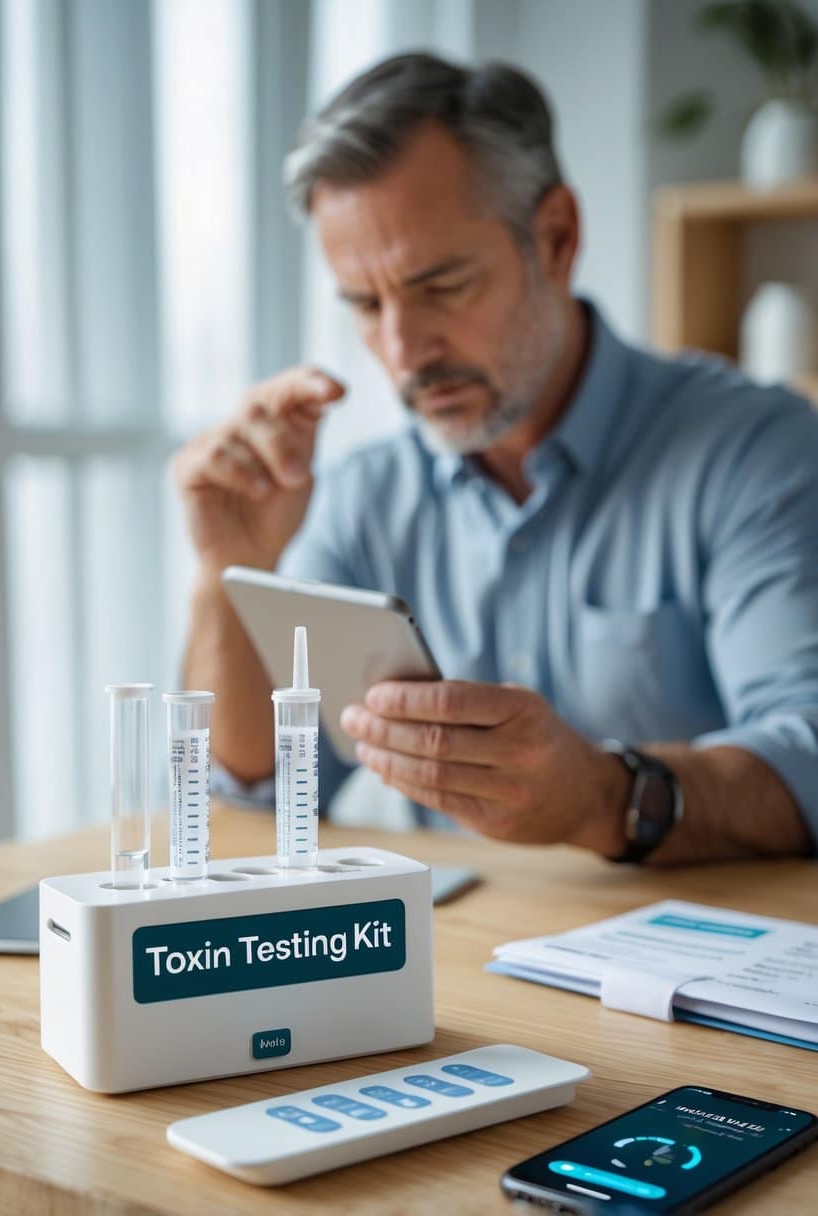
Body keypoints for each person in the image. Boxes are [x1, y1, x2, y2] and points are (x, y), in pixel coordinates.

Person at [173, 52, 818, 865]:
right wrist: (225, 568)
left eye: (441, 285)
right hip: (460, 974)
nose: (404, 351)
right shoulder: (364, 496)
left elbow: (808, 761)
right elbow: (253, 800)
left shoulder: (755, 451)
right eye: (367, 306)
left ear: (555, 237)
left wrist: (599, 795)